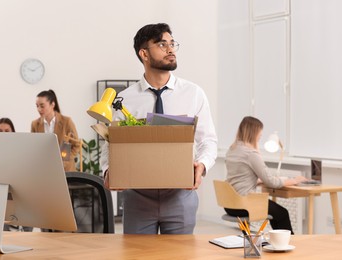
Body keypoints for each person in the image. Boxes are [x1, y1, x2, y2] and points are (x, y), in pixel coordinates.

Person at [100, 23, 218, 234]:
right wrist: (109, 170)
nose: (170, 49)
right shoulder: (124, 99)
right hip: (138, 197)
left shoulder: (193, 93)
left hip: (181, 195)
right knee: (138, 256)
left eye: (172, 44)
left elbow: (208, 140)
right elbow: (111, 143)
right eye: (162, 44)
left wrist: (202, 165)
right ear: (144, 53)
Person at [224, 116, 307, 234]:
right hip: (244, 205)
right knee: (282, 213)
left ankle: (275, 243)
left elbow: (239, 177)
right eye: (260, 134)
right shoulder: (251, 154)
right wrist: (293, 180)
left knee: (276, 211)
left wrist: (256, 181)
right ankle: (286, 244)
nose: (260, 137)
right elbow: (271, 182)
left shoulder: (232, 150)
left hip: (230, 204)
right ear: (254, 133)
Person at [31, 89, 79, 172]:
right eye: (37, 106)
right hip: (44, 170)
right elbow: (33, 147)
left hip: (66, 171)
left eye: (42, 106)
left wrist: (64, 161)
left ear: (52, 104)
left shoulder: (66, 122)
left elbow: (76, 145)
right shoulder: (35, 124)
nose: (39, 109)